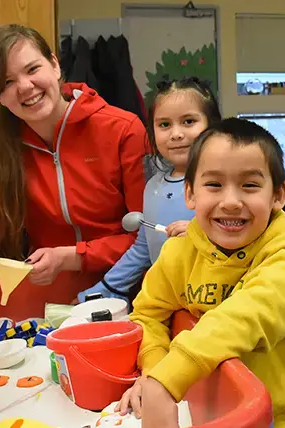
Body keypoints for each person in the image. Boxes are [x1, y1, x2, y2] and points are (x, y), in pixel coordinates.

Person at [117, 118, 285, 428]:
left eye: (250, 186)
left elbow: (248, 314)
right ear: (190, 193)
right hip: (212, 420)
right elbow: (149, 315)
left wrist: (169, 376)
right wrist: (155, 369)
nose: (231, 201)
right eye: (214, 185)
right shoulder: (178, 253)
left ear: (278, 194)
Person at [0, 25, 146, 349]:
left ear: (55, 65)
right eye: (6, 82)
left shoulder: (123, 129)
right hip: (50, 302)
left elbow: (143, 238)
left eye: (32, 69)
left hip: (128, 291)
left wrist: (71, 256)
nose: (24, 87)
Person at [77, 77, 221, 303]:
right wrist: (96, 294)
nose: (176, 134)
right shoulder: (153, 186)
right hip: (166, 303)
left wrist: (201, 234)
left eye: (189, 121)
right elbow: (144, 249)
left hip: (218, 303)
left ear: (212, 125)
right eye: (164, 124)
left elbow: (245, 239)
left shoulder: (225, 183)